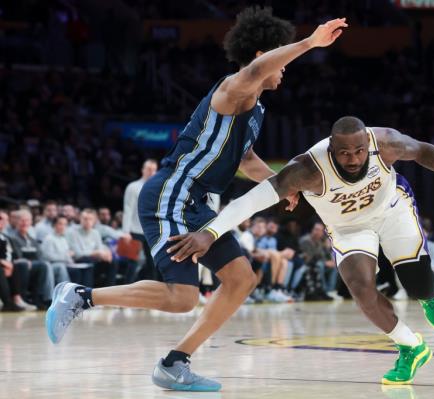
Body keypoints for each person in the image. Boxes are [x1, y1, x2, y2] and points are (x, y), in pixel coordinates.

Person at [46, 8, 347, 392]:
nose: (285, 68)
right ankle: (81, 296)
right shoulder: (232, 89)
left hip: (198, 204)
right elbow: (255, 72)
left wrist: (278, 185)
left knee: (241, 279)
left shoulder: (256, 111)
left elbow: (247, 160)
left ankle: (175, 362)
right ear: (261, 55)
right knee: (182, 298)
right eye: (280, 56)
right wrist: (308, 42)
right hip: (172, 192)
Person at [170, 116, 434, 385]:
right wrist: (209, 233)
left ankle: (430, 296)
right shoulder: (307, 170)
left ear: (368, 144)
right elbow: (251, 201)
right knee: (360, 287)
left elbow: (424, 152)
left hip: (392, 209)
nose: (353, 158)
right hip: (348, 228)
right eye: (344, 153)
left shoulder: (386, 143)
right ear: (331, 148)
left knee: (418, 283)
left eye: (358, 151)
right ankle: (411, 347)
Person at [122, 159, 158, 280]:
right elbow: (128, 209)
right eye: (148, 169)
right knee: (132, 264)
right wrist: (125, 231)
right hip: (134, 231)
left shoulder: (158, 187)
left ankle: (151, 292)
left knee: (153, 263)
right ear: (142, 170)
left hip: (151, 231)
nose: (151, 172)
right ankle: (126, 291)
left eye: (153, 170)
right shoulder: (133, 187)